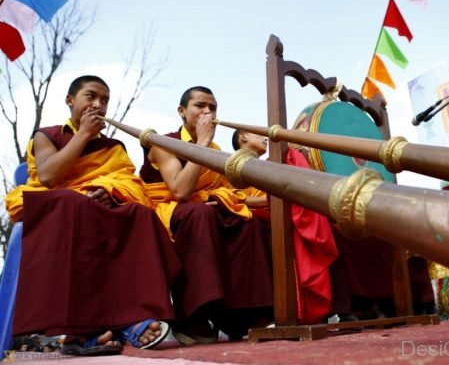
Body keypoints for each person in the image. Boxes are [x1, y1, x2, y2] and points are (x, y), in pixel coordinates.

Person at [4, 75, 181, 356]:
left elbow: (129, 182)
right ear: (70, 100)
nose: (98, 104)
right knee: (71, 202)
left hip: (101, 207)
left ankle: (131, 317)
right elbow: (49, 176)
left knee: (140, 214)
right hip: (61, 206)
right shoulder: (47, 135)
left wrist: (110, 191)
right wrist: (84, 133)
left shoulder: (112, 147)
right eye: (91, 96)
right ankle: (83, 329)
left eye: (105, 100)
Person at [140, 86, 273, 343]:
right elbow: (180, 191)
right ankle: (193, 317)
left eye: (212, 107)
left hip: (205, 206)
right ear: (181, 111)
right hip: (169, 210)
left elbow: (225, 191)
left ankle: (243, 317)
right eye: (200, 105)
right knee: (199, 216)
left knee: (246, 221)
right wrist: (201, 143)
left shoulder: (216, 148)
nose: (207, 112)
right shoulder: (162, 142)